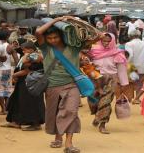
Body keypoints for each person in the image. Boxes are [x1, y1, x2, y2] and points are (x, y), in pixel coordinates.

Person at [36, 16, 100, 152]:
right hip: (52, 86)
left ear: (62, 36)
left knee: (71, 111)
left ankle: (69, 143)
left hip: (72, 84)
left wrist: (74, 20)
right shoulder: (46, 49)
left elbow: (98, 35)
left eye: (55, 37)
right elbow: (38, 33)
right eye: (50, 38)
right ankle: (58, 136)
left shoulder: (74, 47)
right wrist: (56, 20)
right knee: (55, 113)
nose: (53, 40)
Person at [88, 33, 129, 134]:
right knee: (93, 101)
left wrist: (123, 84)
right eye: (104, 41)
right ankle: (97, 115)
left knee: (105, 102)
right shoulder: (93, 51)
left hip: (111, 80)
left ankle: (102, 124)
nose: (106, 43)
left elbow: (121, 69)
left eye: (108, 41)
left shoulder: (118, 53)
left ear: (113, 41)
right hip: (95, 79)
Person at [2, 42, 45, 131]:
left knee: (31, 103)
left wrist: (14, 75)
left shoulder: (35, 56)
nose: (23, 50)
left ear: (31, 49)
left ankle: (35, 124)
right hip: (23, 82)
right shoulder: (30, 55)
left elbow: (27, 70)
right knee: (18, 101)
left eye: (24, 49)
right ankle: (16, 121)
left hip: (31, 82)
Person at [0, 30, 19, 115]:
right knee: (7, 88)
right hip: (8, 69)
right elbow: (17, 60)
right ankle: (7, 107)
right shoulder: (9, 47)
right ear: (7, 37)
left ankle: (3, 109)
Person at [125, 30, 144, 104]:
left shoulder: (129, 44)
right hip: (143, 64)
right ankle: (137, 98)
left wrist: (127, 63)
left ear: (131, 36)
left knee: (131, 82)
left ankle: (130, 97)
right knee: (140, 82)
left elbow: (130, 55)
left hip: (132, 65)